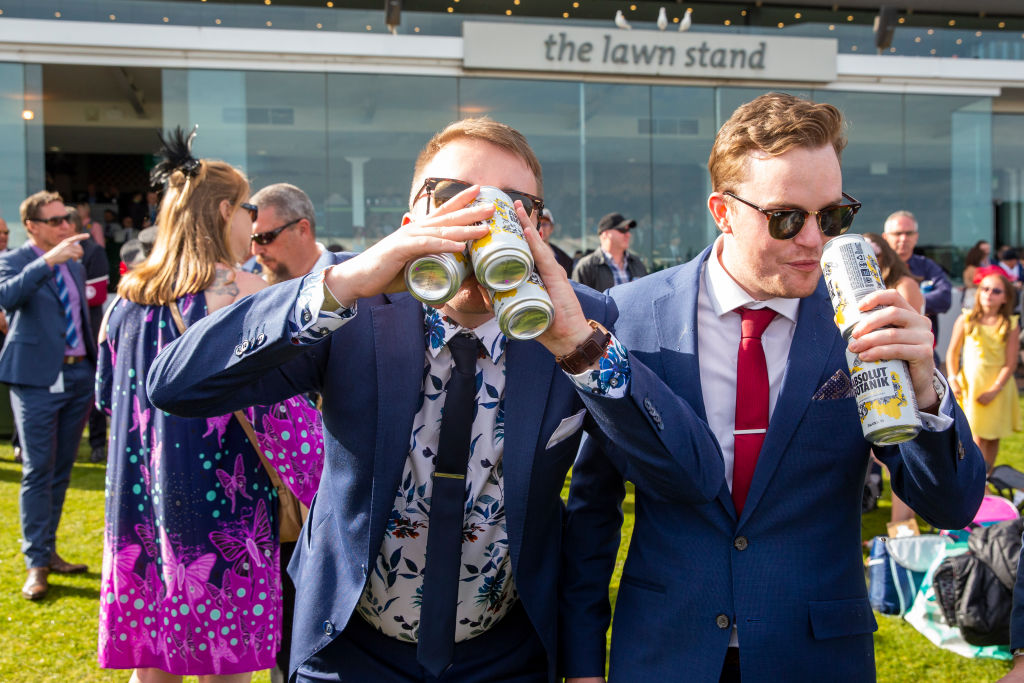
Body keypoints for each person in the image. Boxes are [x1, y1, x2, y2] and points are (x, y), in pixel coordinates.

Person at [146, 117, 721, 683]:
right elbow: (176, 386)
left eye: (509, 206)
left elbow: (688, 477)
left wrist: (582, 351)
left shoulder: (582, 318)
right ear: (408, 223)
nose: (475, 226)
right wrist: (344, 283)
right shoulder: (354, 306)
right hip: (349, 645)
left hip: (506, 652)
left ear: (538, 231)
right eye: (450, 199)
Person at [560, 93, 986, 683]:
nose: (815, 240)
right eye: (787, 217)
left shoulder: (861, 321)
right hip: (665, 647)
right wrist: (582, 664)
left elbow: (952, 504)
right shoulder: (629, 315)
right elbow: (592, 508)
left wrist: (927, 389)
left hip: (815, 654)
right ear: (723, 210)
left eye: (833, 216)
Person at [94, 129, 297, 680]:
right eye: (249, 207)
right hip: (223, 504)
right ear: (226, 209)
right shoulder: (248, 295)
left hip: (140, 501)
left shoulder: (127, 299)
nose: (252, 223)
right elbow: (285, 415)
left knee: (153, 664)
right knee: (224, 667)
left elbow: (107, 400)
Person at [247, 181, 335, 683]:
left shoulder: (360, 279)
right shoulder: (252, 291)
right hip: (271, 493)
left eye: (266, 237)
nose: (256, 249)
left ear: (303, 228)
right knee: (285, 605)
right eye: (253, 239)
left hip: (338, 488)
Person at [0, 191, 94, 600]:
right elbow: (7, 298)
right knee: (38, 470)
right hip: (37, 379)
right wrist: (46, 261)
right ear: (33, 226)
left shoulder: (73, 264)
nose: (65, 226)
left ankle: (49, 550)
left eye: (66, 218)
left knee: (60, 470)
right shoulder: (16, 260)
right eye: (55, 220)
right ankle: (36, 563)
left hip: (77, 377)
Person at [946, 269, 1021, 472]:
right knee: (974, 434)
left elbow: (1010, 362)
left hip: (998, 387)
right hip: (972, 385)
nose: (989, 293)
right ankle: (975, 477)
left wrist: (995, 389)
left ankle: (987, 476)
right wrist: (953, 379)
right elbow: (952, 353)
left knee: (993, 434)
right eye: (985, 288)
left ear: (1005, 297)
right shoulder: (966, 319)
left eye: (996, 290)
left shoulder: (1009, 324)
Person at [882, 210, 952, 339]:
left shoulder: (927, 266)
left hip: (923, 345)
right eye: (898, 233)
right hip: (883, 345)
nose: (903, 238)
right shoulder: (876, 268)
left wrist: (912, 301)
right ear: (885, 237)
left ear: (916, 237)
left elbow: (945, 297)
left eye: (909, 233)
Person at [249, 182, 329, 285]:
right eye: (251, 240)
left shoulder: (349, 280)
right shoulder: (257, 293)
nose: (255, 250)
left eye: (265, 237)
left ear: (302, 230)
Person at [571, 212, 648, 291]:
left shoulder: (637, 263)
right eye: (622, 230)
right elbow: (578, 300)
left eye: (628, 230)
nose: (628, 234)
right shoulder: (586, 267)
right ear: (605, 234)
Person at [537, 208, 573, 276]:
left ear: (552, 228)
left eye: (544, 224)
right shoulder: (525, 253)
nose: (541, 228)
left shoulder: (565, 259)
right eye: (538, 224)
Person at [962, 241, 992, 310]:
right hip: (974, 296)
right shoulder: (973, 269)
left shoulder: (970, 268)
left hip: (972, 296)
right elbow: (974, 283)